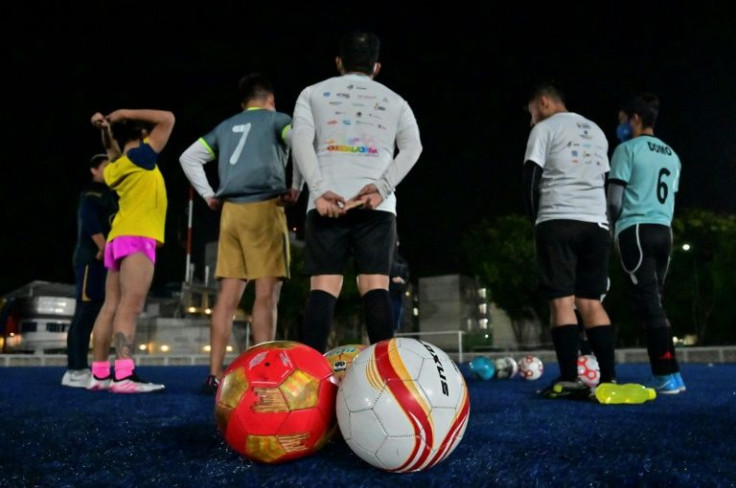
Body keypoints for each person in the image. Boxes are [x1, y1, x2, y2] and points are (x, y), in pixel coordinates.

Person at [291, 31, 423, 353]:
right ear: (377, 66)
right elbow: (413, 147)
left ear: (338, 62)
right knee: (375, 287)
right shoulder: (396, 101)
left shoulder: (311, 94)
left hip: (325, 206)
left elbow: (300, 142)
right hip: (376, 206)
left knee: (323, 288)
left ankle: (311, 380)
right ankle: (385, 376)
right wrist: (381, 188)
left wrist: (320, 191)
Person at [179, 73, 301, 394]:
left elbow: (188, 157)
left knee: (227, 298)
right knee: (266, 294)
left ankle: (214, 374)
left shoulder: (225, 127)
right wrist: (297, 186)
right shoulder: (278, 120)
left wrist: (207, 194)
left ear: (243, 103)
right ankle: (265, 370)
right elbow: (301, 143)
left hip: (230, 213)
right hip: (265, 207)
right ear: (270, 100)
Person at [522, 80, 616, 399]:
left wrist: (536, 220)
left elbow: (531, 178)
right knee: (591, 301)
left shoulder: (544, 129)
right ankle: (610, 380)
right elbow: (604, 181)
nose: (532, 118)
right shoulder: (596, 130)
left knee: (562, 301)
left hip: (557, 220)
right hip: (596, 223)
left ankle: (569, 379)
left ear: (545, 102)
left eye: (532, 111)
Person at [87, 108, 175, 393]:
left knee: (110, 306)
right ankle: (123, 376)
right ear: (143, 133)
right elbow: (168, 118)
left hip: (117, 239)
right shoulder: (143, 157)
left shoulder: (115, 167)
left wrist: (106, 129)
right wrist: (124, 113)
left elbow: (111, 150)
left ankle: (99, 375)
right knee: (130, 307)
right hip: (138, 238)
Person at [607, 93, 685, 394]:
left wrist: (612, 231)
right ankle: (673, 373)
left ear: (634, 119)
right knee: (656, 302)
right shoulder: (671, 154)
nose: (621, 127)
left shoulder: (627, 149)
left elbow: (614, 201)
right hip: (664, 231)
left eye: (621, 120)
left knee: (648, 304)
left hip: (635, 230)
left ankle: (665, 375)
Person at [61, 153, 118, 388]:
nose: (110, 170)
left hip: (103, 261)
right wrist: (103, 247)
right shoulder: (92, 192)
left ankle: (90, 367)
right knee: (85, 311)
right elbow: (89, 219)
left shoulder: (112, 195)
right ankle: (75, 370)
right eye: (106, 166)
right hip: (90, 260)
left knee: (95, 311)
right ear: (94, 170)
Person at [389, 241, 410, 331]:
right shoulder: (386, 258)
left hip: (397, 292)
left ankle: (394, 329)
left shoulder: (402, 261)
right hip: (387, 291)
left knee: (397, 311)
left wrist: (401, 280)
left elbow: (406, 276)